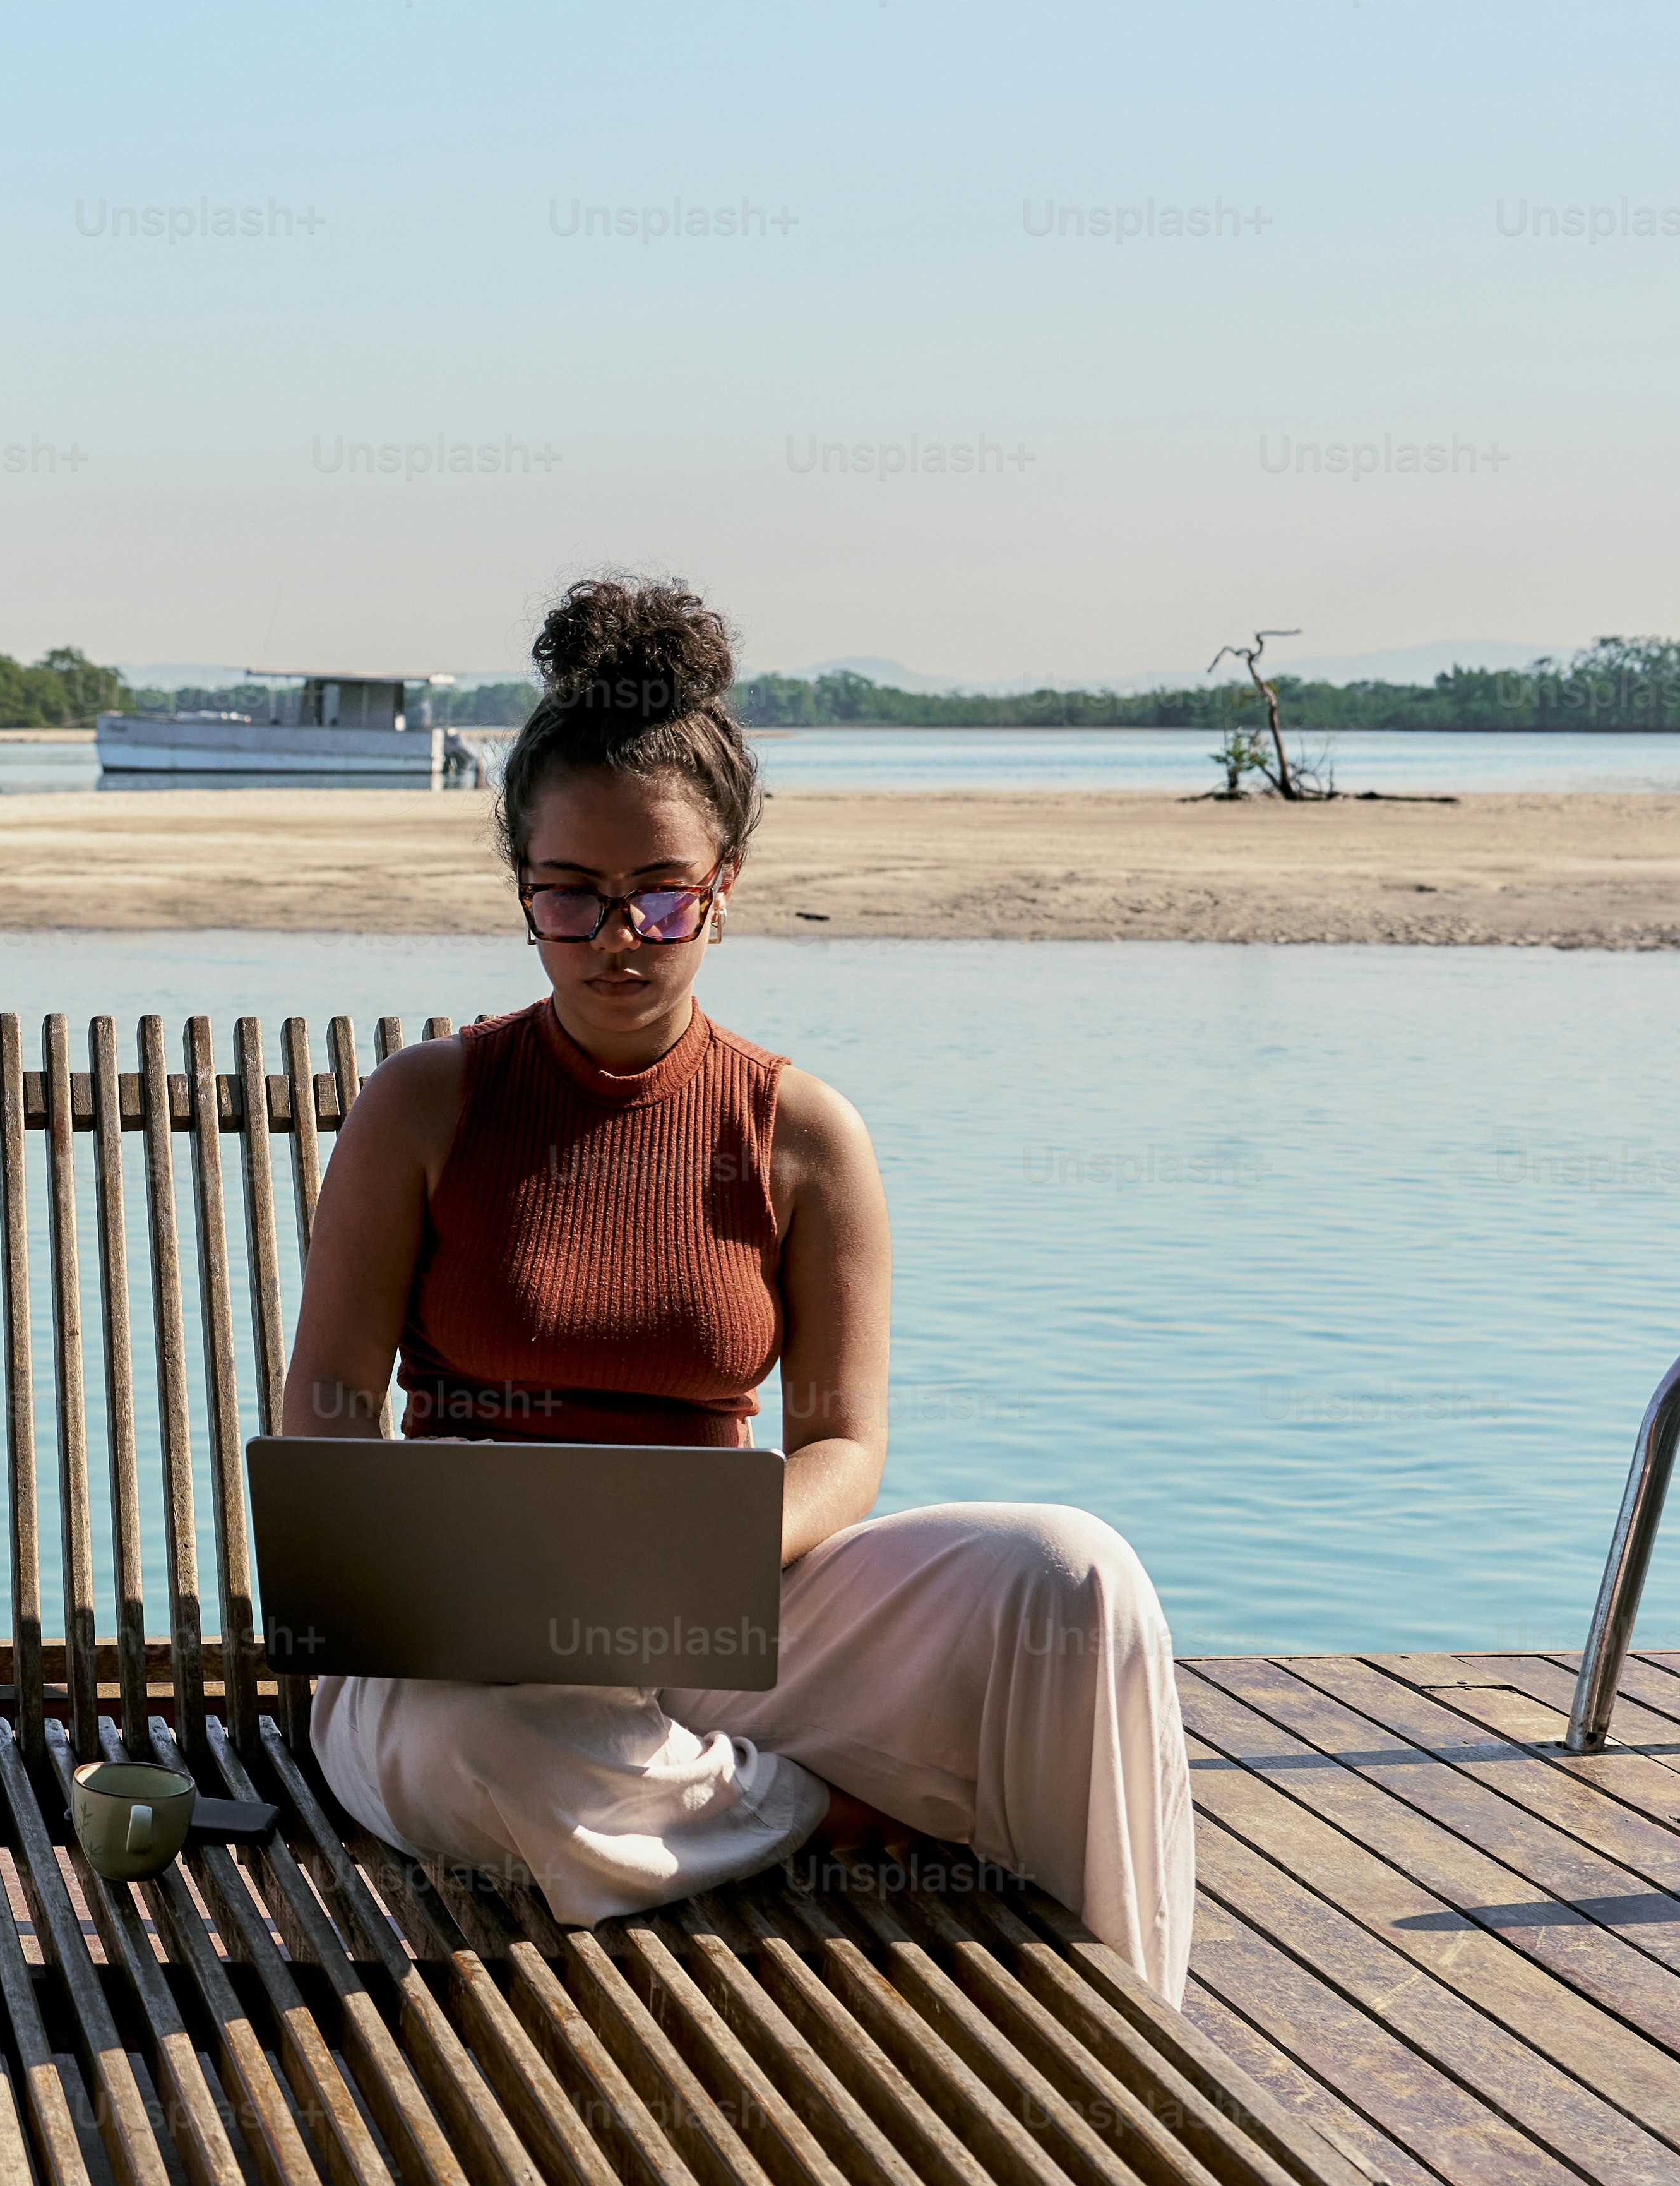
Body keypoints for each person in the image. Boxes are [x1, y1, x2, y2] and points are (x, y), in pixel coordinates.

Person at [272, 577, 1196, 2000]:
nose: (618, 938)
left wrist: (718, 1547)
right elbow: (330, 1403)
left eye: (661, 893)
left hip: (719, 1616)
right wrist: (417, 1571)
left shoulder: (803, 1132)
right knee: (493, 1747)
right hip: (460, 1659)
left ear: (726, 886)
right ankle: (815, 1810)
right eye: (569, 896)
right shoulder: (427, 1104)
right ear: (520, 883)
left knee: (1077, 1580)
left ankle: (1135, 2026)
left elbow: (845, 1443)